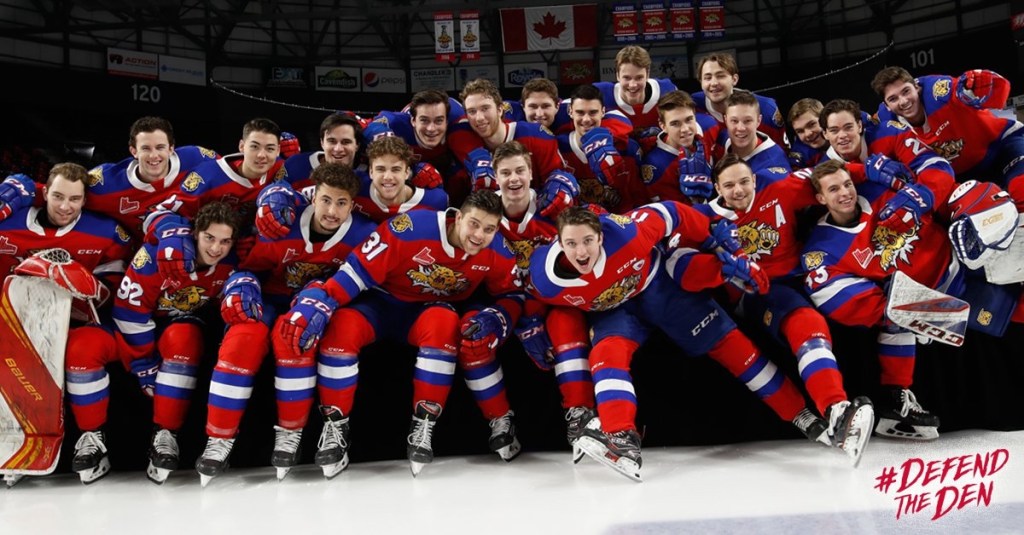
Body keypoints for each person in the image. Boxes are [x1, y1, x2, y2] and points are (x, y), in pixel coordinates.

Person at [525, 204, 827, 481]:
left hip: (660, 288)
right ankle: (621, 437)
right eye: (571, 243)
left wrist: (711, 240)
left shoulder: (629, 233)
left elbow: (672, 212)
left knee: (732, 346)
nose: (581, 252)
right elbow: (531, 297)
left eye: (588, 241)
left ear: (601, 237)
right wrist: (531, 325)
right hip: (616, 311)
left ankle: (801, 414)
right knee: (606, 354)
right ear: (559, 243)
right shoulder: (545, 277)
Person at [276, 190, 525, 477]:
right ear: (458, 218)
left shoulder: (498, 250)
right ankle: (335, 428)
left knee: (447, 325)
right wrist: (324, 301)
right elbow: (357, 271)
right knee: (341, 329)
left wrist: (500, 318)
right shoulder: (410, 228)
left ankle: (425, 424)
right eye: (474, 224)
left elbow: (513, 294)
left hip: (428, 311)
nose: (479, 235)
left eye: (489, 229)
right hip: (380, 303)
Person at [678, 154, 877, 463]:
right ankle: (837, 409)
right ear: (717, 187)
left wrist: (875, 171)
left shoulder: (780, 187)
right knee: (808, 325)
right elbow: (678, 264)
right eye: (729, 186)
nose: (738, 191)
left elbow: (829, 175)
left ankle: (885, 395)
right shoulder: (703, 217)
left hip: (803, 276)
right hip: (758, 292)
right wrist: (718, 264)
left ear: (755, 180)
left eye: (744, 182)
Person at [200, 163, 375, 483]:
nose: (332, 211)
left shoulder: (364, 234)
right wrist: (241, 282)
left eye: (341, 203)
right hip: (269, 297)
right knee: (242, 339)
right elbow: (241, 263)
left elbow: (366, 283)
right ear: (313, 197)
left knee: (294, 334)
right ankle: (219, 438)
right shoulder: (283, 222)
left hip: (315, 304)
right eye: (325, 200)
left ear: (352, 204)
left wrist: (323, 299)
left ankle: (290, 434)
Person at [0, 163, 134, 484]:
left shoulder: (106, 233)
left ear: (85, 199)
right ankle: (10, 440)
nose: (64, 206)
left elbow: (118, 296)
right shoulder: (7, 223)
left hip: (79, 323)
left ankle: (92, 438)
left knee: (81, 351)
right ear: (45, 192)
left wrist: (86, 284)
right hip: (14, 321)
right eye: (58, 196)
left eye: (74, 199)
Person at [801, 159, 951, 441]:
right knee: (893, 310)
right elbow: (841, 300)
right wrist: (913, 314)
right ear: (820, 199)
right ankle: (896, 400)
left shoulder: (877, 191)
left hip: (951, 266)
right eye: (834, 189)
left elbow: (939, 174)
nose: (845, 193)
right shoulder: (821, 250)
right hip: (925, 297)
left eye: (847, 184)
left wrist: (918, 194)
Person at [101, 202, 248, 484]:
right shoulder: (159, 255)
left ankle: (165, 435)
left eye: (225, 241)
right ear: (195, 233)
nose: (216, 248)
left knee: (185, 339)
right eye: (209, 238)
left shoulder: (233, 262)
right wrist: (144, 364)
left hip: (178, 324)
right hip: (132, 326)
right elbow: (128, 311)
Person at [489, 141, 597, 461]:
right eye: (505, 173)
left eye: (520, 171)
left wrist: (571, 184)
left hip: (555, 298)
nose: (514, 179)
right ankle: (500, 423)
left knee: (567, 326)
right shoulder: (484, 213)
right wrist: (524, 320)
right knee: (475, 336)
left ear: (531, 172)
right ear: (495, 177)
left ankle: (580, 416)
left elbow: (592, 232)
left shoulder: (555, 206)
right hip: (506, 299)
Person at [0, 116, 219, 240]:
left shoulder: (199, 159)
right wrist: (22, 188)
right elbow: (63, 195)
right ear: (133, 151)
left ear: (171, 148)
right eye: (145, 148)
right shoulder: (105, 183)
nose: (154, 156)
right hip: (143, 258)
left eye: (160, 147)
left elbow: (234, 173)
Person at [147, 117, 286, 281]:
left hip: (237, 261)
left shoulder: (279, 169)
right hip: (198, 255)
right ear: (242, 146)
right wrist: (172, 234)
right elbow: (158, 214)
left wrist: (254, 235)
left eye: (270, 148)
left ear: (278, 150)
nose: (262, 155)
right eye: (254, 147)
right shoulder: (207, 177)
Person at [870, 66, 1024, 209]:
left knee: (1021, 189)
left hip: (1001, 147)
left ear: (916, 86)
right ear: (886, 105)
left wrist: (978, 86)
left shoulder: (939, 91)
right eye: (893, 99)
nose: (903, 101)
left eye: (906, 91)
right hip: (962, 176)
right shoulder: (885, 122)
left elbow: (995, 90)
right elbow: (862, 127)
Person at [447, 78, 567, 198]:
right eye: (472, 111)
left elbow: (558, 180)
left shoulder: (536, 136)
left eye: (485, 108)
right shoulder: (460, 137)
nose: (479, 118)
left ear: (500, 109)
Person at [557, 84, 646, 211]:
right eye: (580, 112)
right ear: (570, 112)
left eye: (593, 112)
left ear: (603, 112)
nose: (586, 119)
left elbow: (638, 199)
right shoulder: (558, 148)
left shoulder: (627, 148)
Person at [692, 52, 788, 150]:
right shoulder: (692, 106)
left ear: (734, 79)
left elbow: (782, 151)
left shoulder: (765, 108)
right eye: (707, 78)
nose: (714, 83)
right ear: (701, 82)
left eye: (720, 76)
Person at [640, 90, 721, 204]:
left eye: (689, 119)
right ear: (663, 126)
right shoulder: (656, 166)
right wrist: (696, 200)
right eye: (675, 124)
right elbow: (671, 211)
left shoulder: (709, 128)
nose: (685, 129)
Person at [594, 45, 678, 151]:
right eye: (627, 78)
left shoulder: (667, 91)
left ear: (647, 74)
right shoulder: (600, 94)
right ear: (617, 75)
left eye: (639, 78)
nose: (633, 85)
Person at [353, 136, 449, 223]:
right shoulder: (355, 188)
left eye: (396, 169)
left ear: (407, 173)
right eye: (380, 169)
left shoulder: (436, 202)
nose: (388, 177)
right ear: (371, 172)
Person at [720, 91, 792, 182]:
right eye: (734, 121)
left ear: (759, 120)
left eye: (747, 121)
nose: (740, 128)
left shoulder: (774, 166)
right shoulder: (720, 139)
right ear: (726, 120)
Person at [283, 112, 364, 191]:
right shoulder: (295, 166)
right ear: (322, 142)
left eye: (346, 142)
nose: (338, 149)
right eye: (332, 141)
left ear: (357, 145)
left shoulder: (368, 176)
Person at [787, 98, 829, 168]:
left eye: (811, 124)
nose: (807, 134)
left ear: (825, 118)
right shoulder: (800, 156)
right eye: (800, 131)